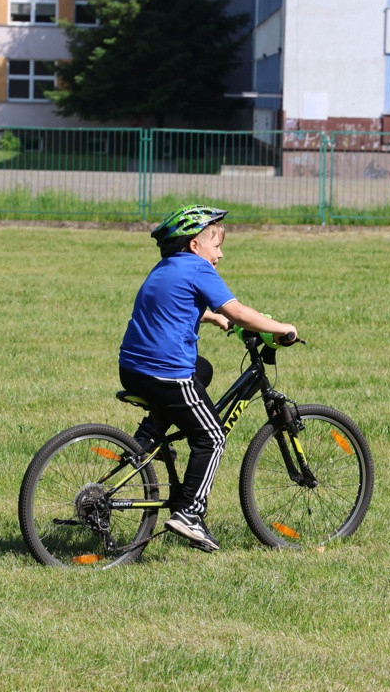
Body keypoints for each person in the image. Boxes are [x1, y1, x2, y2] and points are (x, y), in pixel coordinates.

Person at [118, 205, 296, 551]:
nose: (220, 253)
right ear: (195, 246)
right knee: (212, 436)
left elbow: (174, 305)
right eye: (216, 245)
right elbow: (239, 312)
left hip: (133, 368)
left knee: (203, 370)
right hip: (166, 372)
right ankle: (190, 515)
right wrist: (281, 328)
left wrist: (210, 318)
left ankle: (149, 434)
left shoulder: (164, 268)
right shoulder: (199, 268)